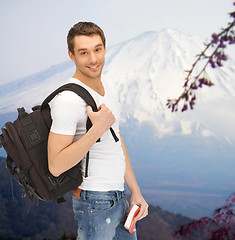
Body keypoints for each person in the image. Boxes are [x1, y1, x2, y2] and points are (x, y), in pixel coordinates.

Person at [47, 22, 148, 239]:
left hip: (119, 197)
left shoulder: (109, 85)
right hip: (93, 200)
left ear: (105, 48)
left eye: (97, 49)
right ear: (71, 55)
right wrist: (97, 129)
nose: (93, 59)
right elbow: (55, 165)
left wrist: (135, 191)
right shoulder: (68, 100)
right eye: (84, 52)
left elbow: (116, 142)